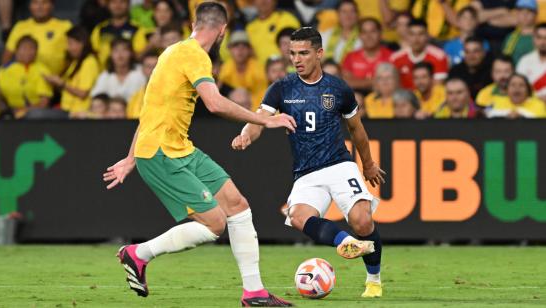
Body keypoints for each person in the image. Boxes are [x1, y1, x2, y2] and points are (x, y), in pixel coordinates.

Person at [102, 3, 295, 306]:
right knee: (214, 224)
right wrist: (265, 119)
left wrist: (129, 158)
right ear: (222, 31)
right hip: (161, 153)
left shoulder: (171, 51)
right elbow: (215, 103)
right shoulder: (194, 56)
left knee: (238, 205)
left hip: (179, 147)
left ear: (194, 23)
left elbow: (149, 112)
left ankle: (254, 293)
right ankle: (138, 254)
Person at [231, 27, 386, 299]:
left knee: (362, 221)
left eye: (303, 53)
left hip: (339, 164)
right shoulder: (281, 89)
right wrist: (246, 135)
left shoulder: (338, 88)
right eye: (292, 53)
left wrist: (369, 164)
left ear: (319, 53)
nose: (297, 59)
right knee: (298, 216)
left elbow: (356, 129)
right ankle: (346, 243)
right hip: (306, 173)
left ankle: (373, 279)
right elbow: (259, 120)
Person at [2, 0, 72, 75]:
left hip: (59, 80)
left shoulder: (65, 26)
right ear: (30, 6)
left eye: (44, 3)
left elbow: (74, 55)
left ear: (52, 5)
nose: (39, 7)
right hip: (26, 81)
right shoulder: (20, 27)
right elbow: (7, 57)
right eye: (35, 3)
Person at [43, 26, 100, 114]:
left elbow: (83, 94)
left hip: (78, 112)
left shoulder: (89, 62)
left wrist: (61, 83)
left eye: (70, 43)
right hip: (66, 109)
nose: (67, 48)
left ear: (81, 43)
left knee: (36, 115)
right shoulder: (74, 62)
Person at [0, 35, 53, 119]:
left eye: (32, 49)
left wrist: (22, 110)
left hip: (31, 113)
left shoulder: (43, 71)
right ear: (16, 51)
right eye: (24, 48)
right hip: (5, 111)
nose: (28, 52)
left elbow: (44, 103)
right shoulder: (4, 69)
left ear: (36, 52)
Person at [390, 18, 449, 89]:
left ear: (427, 36)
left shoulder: (439, 57)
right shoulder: (395, 58)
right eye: (412, 34)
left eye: (420, 34)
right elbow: (393, 86)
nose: (416, 39)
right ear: (407, 36)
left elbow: (437, 88)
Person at [218, 30, 268, 111]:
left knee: (241, 94)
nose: (240, 50)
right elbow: (218, 91)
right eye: (236, 45)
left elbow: (262, 96)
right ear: (230, 49)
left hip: (257, 112)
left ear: (249, 50)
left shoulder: (258, 68)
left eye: (244, 46)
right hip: (233, 115)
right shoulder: (227, 67)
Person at [342, 17, 393, 94]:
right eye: (364, 32)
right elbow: (346, 83)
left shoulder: (391, 56)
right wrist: (373, 81)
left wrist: (359, 82)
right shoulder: (350, 57)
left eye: (373, 31)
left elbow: (392, 84)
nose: (368, 36)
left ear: (380, 34)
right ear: (359, 35)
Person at [91, 0, 148, 66]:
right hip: (102, 73)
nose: (118, 5)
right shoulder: (100, 29)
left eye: (122, 2)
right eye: (114, 2)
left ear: (128, 4)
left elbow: (138, 56)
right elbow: (93, 54)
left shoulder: (137, 29)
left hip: (129, 73)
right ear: (108, 5)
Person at [320, 0, 362, 64]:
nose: (348, 15)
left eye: (352, 11)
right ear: (338, 14)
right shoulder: (327, 34)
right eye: (344, 12)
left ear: (357, 15)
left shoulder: (363, 36)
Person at [516, 22, 546, 101]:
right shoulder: (524, 60)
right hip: (530, 106)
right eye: (539, 37)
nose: (543, 42)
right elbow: (518, 87)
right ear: (533, 39)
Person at [127, 50, 159, 119]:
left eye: (156, 66)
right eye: (148, 66)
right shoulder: (135, 97)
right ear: (143, 70)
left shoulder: (173, 94)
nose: (152, 70)